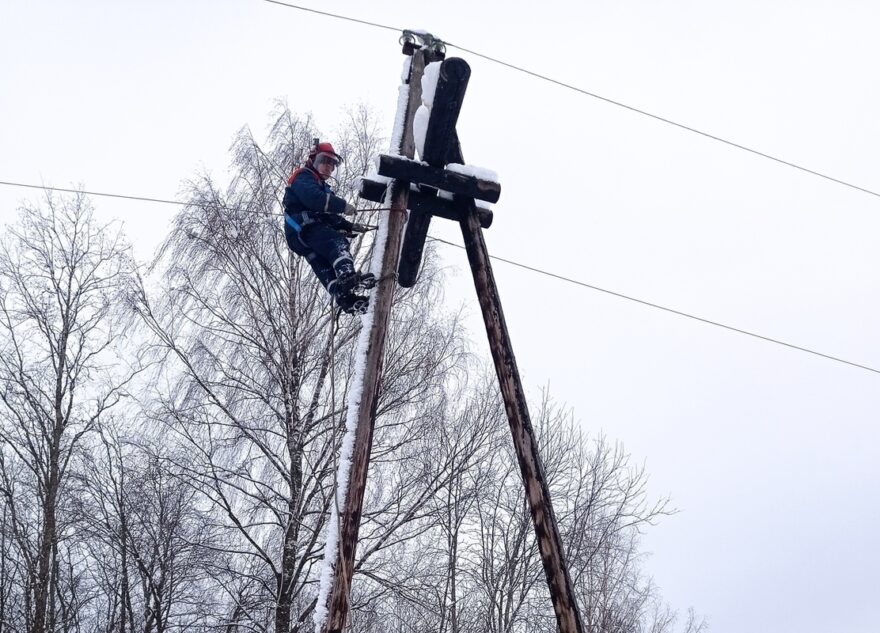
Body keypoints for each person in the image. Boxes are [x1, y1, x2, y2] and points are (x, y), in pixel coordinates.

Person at [282, 142, 368, 314]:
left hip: (300, 235)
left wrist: (348, 226)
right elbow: (315, 199)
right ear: (313, 160)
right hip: (304, 226)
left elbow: (330, 216)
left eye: (332, 165)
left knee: (323, 264)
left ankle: (344, 297)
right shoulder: (303, 176)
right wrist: (343, 205)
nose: (328, 167)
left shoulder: (323, 187)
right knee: (337, 243)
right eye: (324, 161)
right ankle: (346, 274)